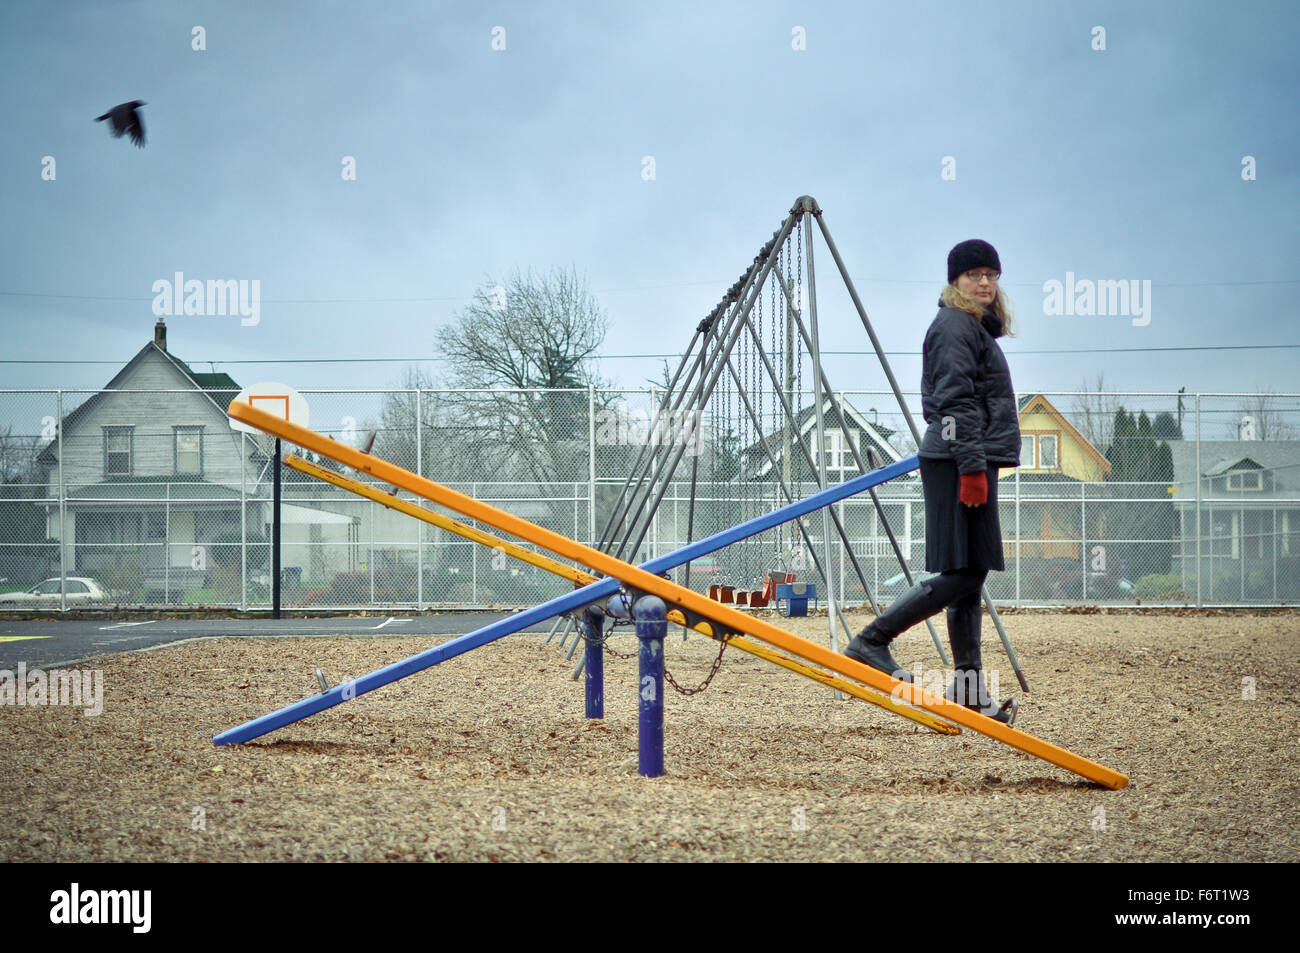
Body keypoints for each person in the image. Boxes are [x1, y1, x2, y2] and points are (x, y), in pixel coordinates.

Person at [844, 239, 1020, 723]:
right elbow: (955, 400)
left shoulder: (973, 328)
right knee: (963, 572)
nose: (984, 282)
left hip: (968, 458)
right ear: (955, 282)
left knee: (971, 574)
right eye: (974, 275)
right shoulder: (954, 326)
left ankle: (969, 689)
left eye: (991, 275)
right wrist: (969, 468)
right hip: (958, 460)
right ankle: (871, 641)